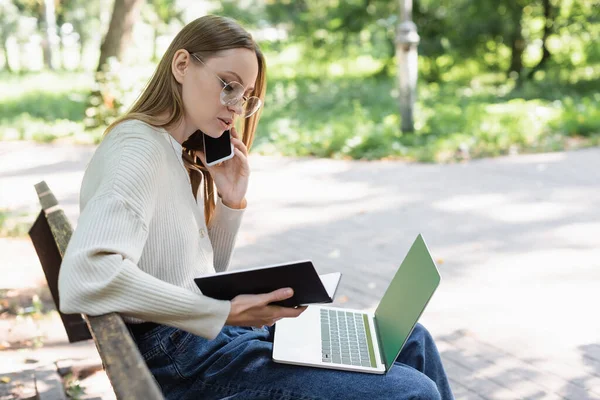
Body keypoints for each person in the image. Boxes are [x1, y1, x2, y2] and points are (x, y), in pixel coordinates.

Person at [58, 15, 455, 400]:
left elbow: (193, 273)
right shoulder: (138, 149)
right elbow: (87, 274)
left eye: (244, 97)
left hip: (203, 342)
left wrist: (230, 200)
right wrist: (221, 311)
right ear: (182, 64)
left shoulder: (172, 151)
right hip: (184, 360)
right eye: (228, 86)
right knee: (414, 391)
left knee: (412, 339)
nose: (235, 106)